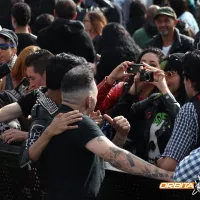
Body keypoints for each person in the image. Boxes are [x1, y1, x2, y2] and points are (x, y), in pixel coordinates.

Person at [45, 64, 173, 200]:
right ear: (90, 100)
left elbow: (104, 155)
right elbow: (117, 157)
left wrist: (121, 135)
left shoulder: (55, 120)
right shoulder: (81, 123)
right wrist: (166, 175)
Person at [157, 50, 200, 171]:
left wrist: (158, 161)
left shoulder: (190, 110)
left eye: (170, 74)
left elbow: (169, 165)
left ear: (190, 82)